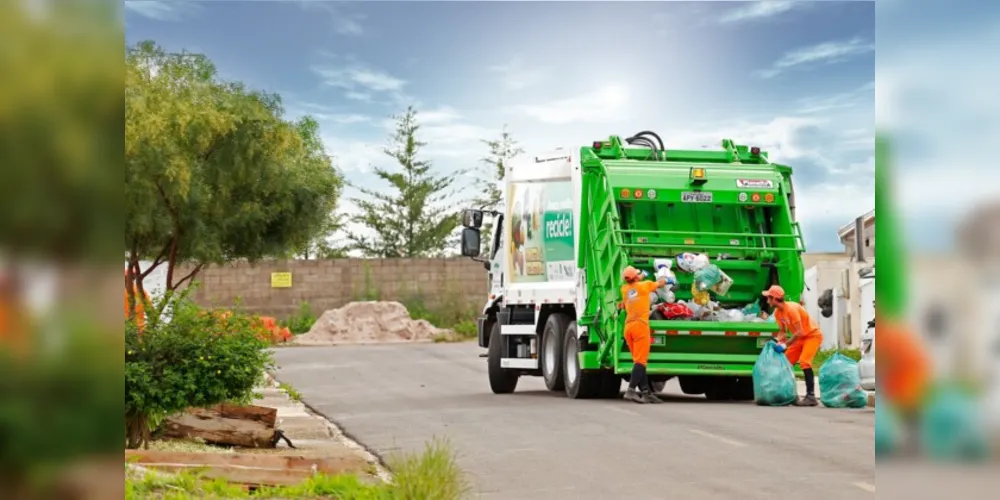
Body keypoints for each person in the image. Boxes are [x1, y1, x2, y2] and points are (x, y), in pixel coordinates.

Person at [762, 285, 823, 406]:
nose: (767, 301)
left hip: (812, 336)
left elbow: (799, 331)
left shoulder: (791, 310)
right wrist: (777, 341)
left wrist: (785, 345)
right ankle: (790, 395)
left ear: (774, 299)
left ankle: (811, 396)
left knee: (804, 362)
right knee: (786, 363)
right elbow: (783, 332)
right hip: (799, 339)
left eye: (768, 298)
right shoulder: (777, 312)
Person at [619, 265, 670, 404]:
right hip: (640, 327)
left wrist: (640, 275)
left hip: (628, 327)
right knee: (641, 362)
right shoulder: (645, 286)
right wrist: (666, 277)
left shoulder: (624, 290)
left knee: (638, 362)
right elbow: (660, 283)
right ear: (635, 277)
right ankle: (630, 390)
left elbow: (634, 285)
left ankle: (646, 393)